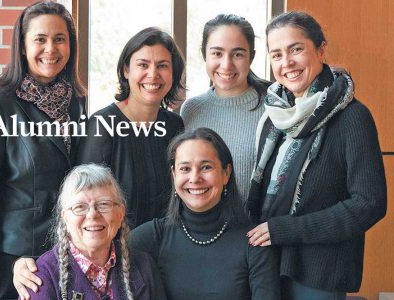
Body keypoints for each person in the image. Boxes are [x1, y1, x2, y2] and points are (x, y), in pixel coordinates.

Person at [246, 11, 387, 300]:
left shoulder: (352, 117)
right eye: (276, 55)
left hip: (319, 274)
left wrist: (286, 230)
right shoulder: (274, 117)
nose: (287, 63)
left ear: (321, 50)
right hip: (267, 262)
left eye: (296, 49)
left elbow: (369, 203)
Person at [0, 1, 86, 299]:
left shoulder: (76, 104)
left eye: (59, 39)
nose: (50, 49)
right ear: (22, 46)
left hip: (64, 254)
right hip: (12, 261)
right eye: (40, 39)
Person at [129, 128, 281, 300]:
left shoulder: (255, 242)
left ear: (226, 173)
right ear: (173, 175)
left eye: (206, 167)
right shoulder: (153, 237)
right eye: (185, 169)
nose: (195, 178)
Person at [77, 27, 185, 229]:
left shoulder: (175, 126)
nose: (153, 74)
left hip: (168, 247)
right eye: (143, 65)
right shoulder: (102, 125)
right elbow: (84, 200)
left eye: (162, 65)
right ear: (126, 70)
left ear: (173, 73)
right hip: (117, 251)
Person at [24, 164, 167, 300]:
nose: (92, 214)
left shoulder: (144, 266)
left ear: (120, 212)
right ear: (65, 218)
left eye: (103, 204)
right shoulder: (42, 275)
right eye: (80, 207)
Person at [181, 14, 271, 200]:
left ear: (251, 57)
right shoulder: (191, 109)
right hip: (203, 226)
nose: (226, 64)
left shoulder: (274, 106)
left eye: (238, 54)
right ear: (204, 55)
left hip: (260, 226)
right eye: (217, 53)